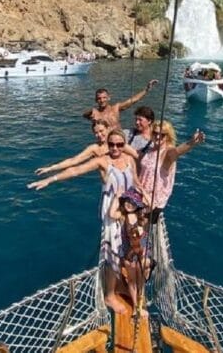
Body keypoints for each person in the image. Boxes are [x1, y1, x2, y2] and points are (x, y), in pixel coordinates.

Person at [28, 129, 140, 315]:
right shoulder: (102, 161)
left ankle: (119, 284)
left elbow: (135, 181)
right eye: (111, 144)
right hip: (111, 214)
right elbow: (75, 170)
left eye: (119, 145)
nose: (115, 148)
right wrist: (50, 178)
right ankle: (110, 295)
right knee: (113, 252)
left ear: (124, 144)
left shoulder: (129, 160)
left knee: (125, 250)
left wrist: (143, 194)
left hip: (128, 212)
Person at [139, 121, 205, 220]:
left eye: (162, 135)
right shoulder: (150, 150)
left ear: (168, 136)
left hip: (153, 203)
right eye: (155, 133)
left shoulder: (167, 152)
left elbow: (177, 151)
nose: (157, 137)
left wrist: (191, 143)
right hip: (140, 195)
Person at [35, 120, 137, 176]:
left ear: (108, 129)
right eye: (96, 133)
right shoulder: (94, 148)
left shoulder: (118, 144)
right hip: (108, 186)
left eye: (101, 131)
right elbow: (74, 161)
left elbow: (137, 156)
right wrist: (51, 168)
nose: (99, 135)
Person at [109, 187, 152, 318]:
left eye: (133, 202)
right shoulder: (123, 217)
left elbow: (151, 205)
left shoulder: (143, 217)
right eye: (127, 201)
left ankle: (140, 300)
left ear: (137, 205)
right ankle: (136, 308)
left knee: (142, 278)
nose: (129, 204)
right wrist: (116, 197)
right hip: (129, 254)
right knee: (132, 281)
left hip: (143, 251)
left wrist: (143, 191)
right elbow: (111, 214)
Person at [82, 80, 158, 130]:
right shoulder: (95, 113)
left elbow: (133, 100)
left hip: (119, 140)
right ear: (96, 100)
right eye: (99, 98)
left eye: (104, 97)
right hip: (105, 142)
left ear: (109, 98)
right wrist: (90, 112)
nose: (102, 100)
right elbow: (84, 115)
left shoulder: (116, 108)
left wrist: (146, 90)